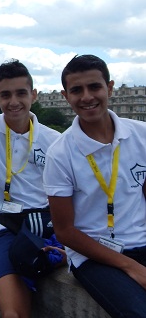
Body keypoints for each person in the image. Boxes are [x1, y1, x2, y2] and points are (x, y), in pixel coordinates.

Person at [43, 54, 146, 317]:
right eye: (77, 90)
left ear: (109, 88)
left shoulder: (141, 134)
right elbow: (65, 232)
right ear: (66, 96)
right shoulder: (59, 153)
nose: (87, 97)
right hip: (92, 255)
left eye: (94, 87)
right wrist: (130, 266)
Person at [0, 60, 63, 317]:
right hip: (3, 226)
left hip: (44, 225)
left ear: (34, 95)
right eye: (6, 95)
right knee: (12, 313)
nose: (13, 102)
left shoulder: (54, 139)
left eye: (21, 93)